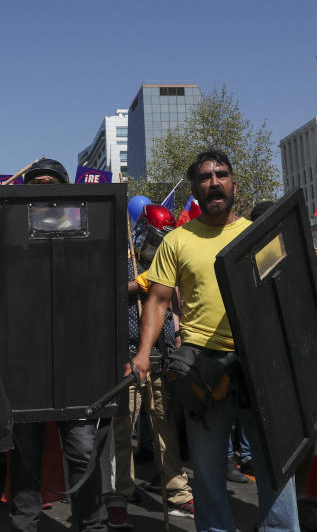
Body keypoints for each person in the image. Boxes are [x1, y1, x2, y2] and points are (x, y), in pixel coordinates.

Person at [127, 149, 300, 532]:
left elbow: (286, 290)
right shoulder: (177, 241)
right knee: (206, 471)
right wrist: (142, 355)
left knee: (276, 464)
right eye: (205, 177)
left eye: (221, 174)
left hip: (261, 360)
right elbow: (156, 300)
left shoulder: (259, 234)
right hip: (203, 365)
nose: (214, 182)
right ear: (195, 189)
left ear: (233, 183)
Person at [9, 158, 108, 532]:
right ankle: (24, 524)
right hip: (26, 364)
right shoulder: (13, 237)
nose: (44, 186)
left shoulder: (86, 236)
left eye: (51, 181)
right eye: (36, 182)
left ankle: (92, 524)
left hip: (76, 363)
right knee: (26, 454)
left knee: (83, 450)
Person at [101, 203, 194, 529]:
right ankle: (117, 497)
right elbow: (105, 293)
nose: (158, 244)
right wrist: (138, 284)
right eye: (156, 237)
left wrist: (179, 334)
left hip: (163, 355)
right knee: (122, 430)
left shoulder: (166, 260)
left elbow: (176, 306)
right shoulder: (122, 258)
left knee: (165, 427)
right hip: (128, 357)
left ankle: (178, 493)